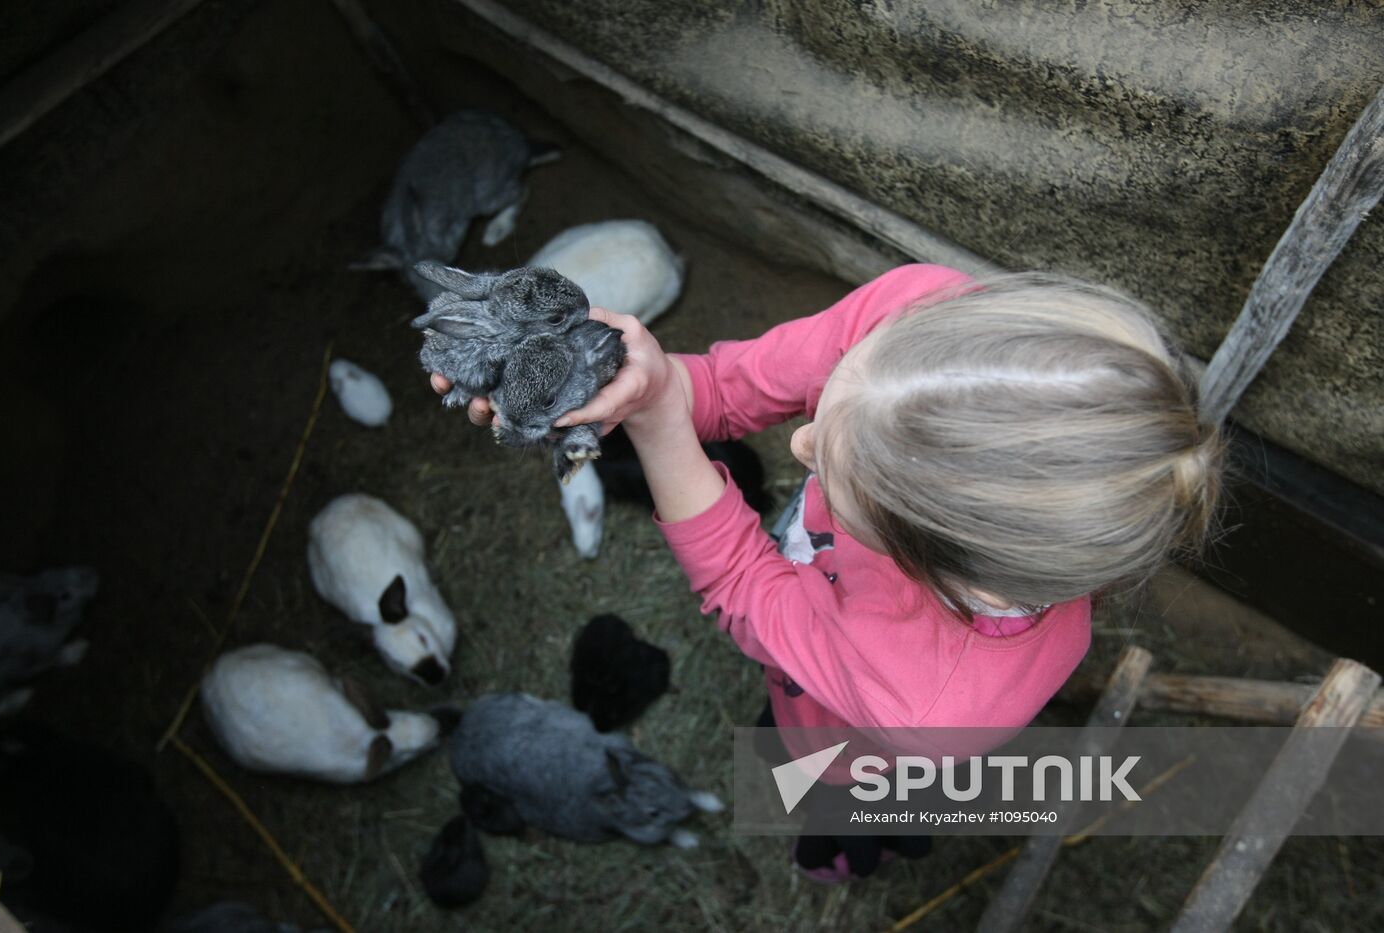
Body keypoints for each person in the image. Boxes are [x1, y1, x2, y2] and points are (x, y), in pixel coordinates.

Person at [431, 264, 1224, 882]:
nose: (801, 446)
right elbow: (736, 385)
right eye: (831, 399)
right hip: (847, 678)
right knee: (787, 726)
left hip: (870, 752)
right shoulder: (926, 319)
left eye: (841, 491)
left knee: (842, 794)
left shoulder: (924, 705)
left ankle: (847, 851)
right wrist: (651, 383)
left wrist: (661, 426)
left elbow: (745, 584)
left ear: (952, 576)